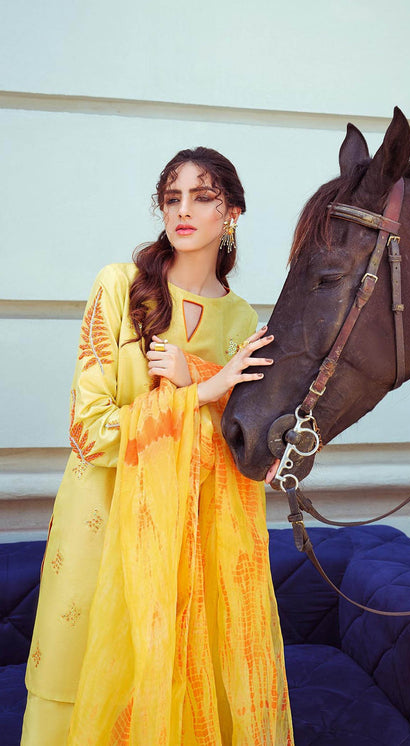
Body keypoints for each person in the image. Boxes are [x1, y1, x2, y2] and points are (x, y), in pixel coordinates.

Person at [21, 147, 294, 745]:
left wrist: (211, 392)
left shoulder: (243, 323)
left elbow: (236, 446)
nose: (183, 210)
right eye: (172, 198)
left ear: (233, 213)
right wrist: (203, 393)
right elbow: (89, 429)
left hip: (191, 544)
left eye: (202, 196)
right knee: (85, 686)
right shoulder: (120, 287)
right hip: (102, 522)